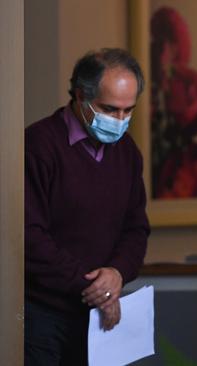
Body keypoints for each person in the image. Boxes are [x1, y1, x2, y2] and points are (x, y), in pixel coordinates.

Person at [25, 48, 150, 365]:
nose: (120, 121)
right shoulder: (38, 145)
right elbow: (29, 236)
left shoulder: (128, 152)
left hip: (101, 316)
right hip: (42, 314)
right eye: (110, 109)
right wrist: (95, 286)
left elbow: (136, 229)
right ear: (80, 95)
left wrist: (117, 272)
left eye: (128, 111)